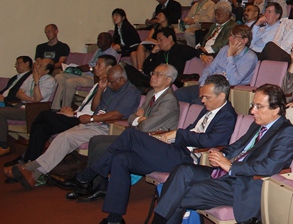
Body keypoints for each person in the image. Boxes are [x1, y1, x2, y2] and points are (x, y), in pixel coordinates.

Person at [151, 84, 293, 224]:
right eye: (253, 105)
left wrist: (231, 167)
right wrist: (221, 155)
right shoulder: (258, 124)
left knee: (180, 194)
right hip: (227, 175)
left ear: (276, 109)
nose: (252, 111)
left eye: (259, 106)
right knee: (183, 170)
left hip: (245, 185)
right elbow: (237, 146)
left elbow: (269, 167)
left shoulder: (287, 132)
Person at [51, 64, 181, 204]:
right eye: (153, 73)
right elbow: (131, 117)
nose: (153, 76)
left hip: (152, 143)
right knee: (96, 140)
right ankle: (93, 185)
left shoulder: (169, 100)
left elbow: (145, 126)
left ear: (168, 80)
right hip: (137, 138)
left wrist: (138, 119)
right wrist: (138, 119)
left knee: (102, 148)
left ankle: (88, 183)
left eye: (158, 74)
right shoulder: (151, 94)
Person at [7, 64, 140, 189]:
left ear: (121, 80)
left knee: (67, 137)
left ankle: (30, 167)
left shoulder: (132, 92)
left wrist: (92, 118)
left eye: (111, 82)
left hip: (107, 128)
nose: (109, 84)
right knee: (61, 137)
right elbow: (95, 107)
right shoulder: (110, 89)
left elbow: (116, 114)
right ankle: (34, 174)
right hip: (93, 123)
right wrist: (100, 89)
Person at [174, 25, 258, 104]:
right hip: (209, 85)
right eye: (230, 35)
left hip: (225, 91)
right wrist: (202, 86)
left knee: (197, 103)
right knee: (177, 94)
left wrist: (230, 56)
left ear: (244, 40)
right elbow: (209, 69)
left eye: (234, 37)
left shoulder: (250, 57)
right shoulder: (224, 49)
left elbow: (233, 81)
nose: (229, 38)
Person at [0, 59, 55, 156]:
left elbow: (38, 99)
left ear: (47, 71)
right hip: (22, 105)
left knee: (1, 112)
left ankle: (3, 146)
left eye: (40, 66)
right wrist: (30, 99)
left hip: (34, 111)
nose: (36, 67)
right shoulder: (30, 76)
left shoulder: (50, 81)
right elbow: (18, 93)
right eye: (37, 64)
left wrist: (36, 82)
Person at [52, 32, 120, 109]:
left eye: (101, 39)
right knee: (59, 77)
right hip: (85, 74)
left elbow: (105, 70)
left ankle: (66, 108)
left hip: (94, 77)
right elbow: (90, 63)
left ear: (108, 40)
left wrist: (90, 68)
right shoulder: (98, 51)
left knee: (69, 82)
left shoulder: (112, 54)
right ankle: (55, 108)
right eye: (98, 39)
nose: (98, 41)